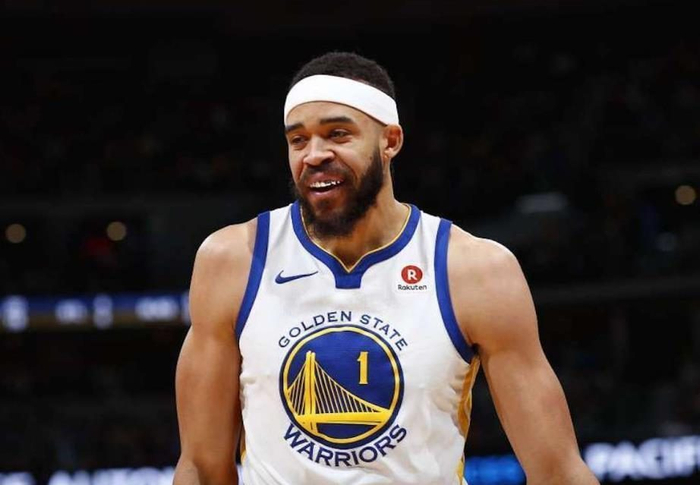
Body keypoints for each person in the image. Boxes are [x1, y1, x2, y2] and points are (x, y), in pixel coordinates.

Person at [173, 51, 599, 485]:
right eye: (298, 140)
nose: (314, 154)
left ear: (390, 141)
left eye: (337, 134)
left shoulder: (475, 271)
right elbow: (202, 468)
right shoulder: (233, 261)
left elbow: (557, 471)